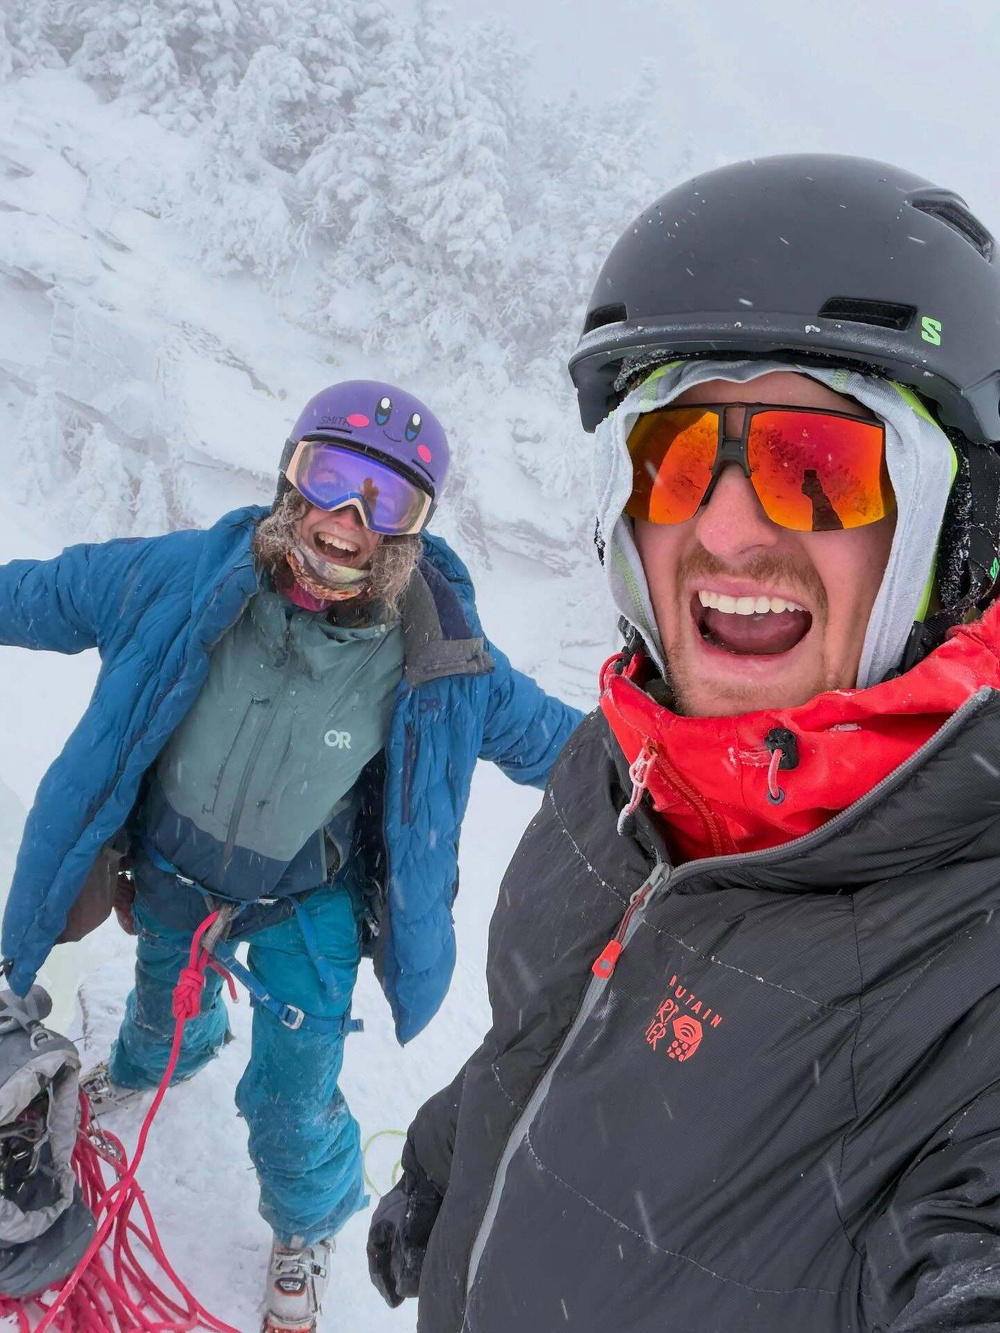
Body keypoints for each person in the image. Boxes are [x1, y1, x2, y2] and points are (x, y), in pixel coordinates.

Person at [367, 155, 1000, 1332]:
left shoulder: (971, 965)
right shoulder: (612, 775)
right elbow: (548, 1028)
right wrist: (457, 1150)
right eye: (672, 459)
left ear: (956, 528)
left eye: (815, 468)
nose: (721, 529)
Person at [0, 379, 582, 1333]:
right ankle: (160, 1060)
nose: (347, 518)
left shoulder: (436, 651)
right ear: (289, 478)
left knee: (292, 1100)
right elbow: (48, 592)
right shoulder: (186, 577)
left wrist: (684, 767)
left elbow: (559, 743)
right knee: (159, 999)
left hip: (302, 899)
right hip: (172, 872)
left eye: (386, 501)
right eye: (332, 478)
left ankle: (303, 1226)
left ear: (411, 531)